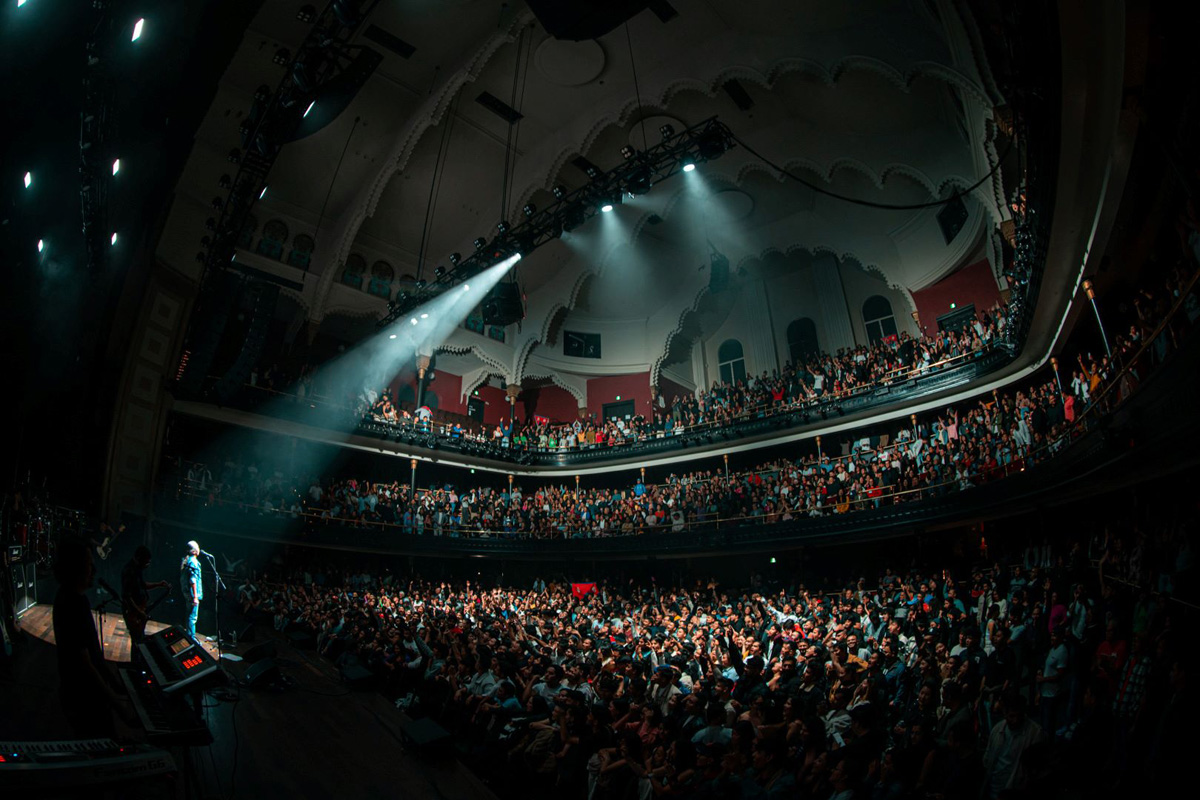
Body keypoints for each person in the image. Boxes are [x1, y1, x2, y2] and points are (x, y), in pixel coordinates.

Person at [52, 538, 135, 737]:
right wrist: (118, 705)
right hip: (84, 698)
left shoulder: (69, 597)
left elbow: (93, 655)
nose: (94, 570)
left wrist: (115, 683)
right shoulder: (74, 604)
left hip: (79, 695)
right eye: (90, 564)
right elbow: (85, 664)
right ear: (77, 568)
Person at [120, 545, 169, 647]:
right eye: (146, 562)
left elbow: (142, 585)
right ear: (139, 558)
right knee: (137, 640)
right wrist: (140, 612)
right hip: (133, 612)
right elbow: (127, 596)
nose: (147, 565)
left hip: (138, 611)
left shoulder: (136, 570)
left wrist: (158, 584)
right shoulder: (130, 571)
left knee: (139, 639)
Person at [180, 540, 203, 642]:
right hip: (192, 593)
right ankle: (191, 639)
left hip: (187, 593)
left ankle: (189, 636)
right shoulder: (193, 561)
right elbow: (192, 580)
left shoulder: (188, 560)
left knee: (189, 614)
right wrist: (195, 597)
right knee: (192, 617)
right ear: (194, 551)